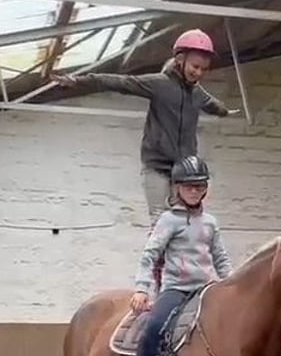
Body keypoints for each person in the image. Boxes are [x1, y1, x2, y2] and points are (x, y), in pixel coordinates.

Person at [51, 28, 239, 225]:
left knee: (186, 222)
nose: (198, 73)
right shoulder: (159, 84)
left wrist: (224, 111)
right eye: (195, 66)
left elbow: (211, 103)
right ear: (180, 59)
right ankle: (158, 254)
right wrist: (80, 81)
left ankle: (182, 255)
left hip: (184, 171)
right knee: (160, 220)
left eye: (203, 69)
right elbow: (122, 83)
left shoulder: (197, 93)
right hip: (157, 165)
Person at [122, 155, 233, 356]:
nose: (194, 191)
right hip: (176, 289)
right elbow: (149, 255)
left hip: (207, 289)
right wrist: (141, 288)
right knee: (154, 325)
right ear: (177, 188)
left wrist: (231, 286)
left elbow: (221, 258)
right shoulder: (168, 221)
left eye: (199, 186)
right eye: (188, 186)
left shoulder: (210, 223)